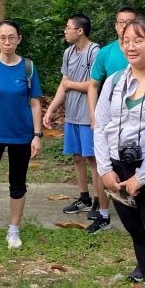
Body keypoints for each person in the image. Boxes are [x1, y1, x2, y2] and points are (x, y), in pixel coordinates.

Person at [95, 17, 145, 282]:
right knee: (136, 232)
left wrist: (143, 177)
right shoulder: (114, 82)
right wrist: (105, 170)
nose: (130, 46)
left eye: (138, 40)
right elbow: (101, 126)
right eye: (125, 41)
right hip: (118, 170)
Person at [0, 20, 44, 250]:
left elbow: (34, 102)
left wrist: (37, 135)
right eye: (3, 37)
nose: (7, 42)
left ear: (19, 40)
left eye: (12, 37)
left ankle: (13, 230)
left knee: (17, 183)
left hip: (21, 136)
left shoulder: (28, 67)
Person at [43, 14, 108, 228]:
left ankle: (99, 201)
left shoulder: (95, 52)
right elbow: (64, 83)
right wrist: (51, 109)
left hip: (89, 115)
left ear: (80, 31)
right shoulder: (68, 52)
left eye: (68, 27)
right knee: (78, 157)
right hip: (72, 114)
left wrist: (71, 85)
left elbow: (93, 84)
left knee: (93, 159)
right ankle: (84, 197)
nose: (65, 31)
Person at [88, 6, 137, 126]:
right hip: (112, 113)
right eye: (121, 22)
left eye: (129, 22)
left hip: (139, 111)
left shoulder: (144, 51)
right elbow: (93, 86)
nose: (124, 26)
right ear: (116, 26)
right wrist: (93, 115)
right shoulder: (105, 52)